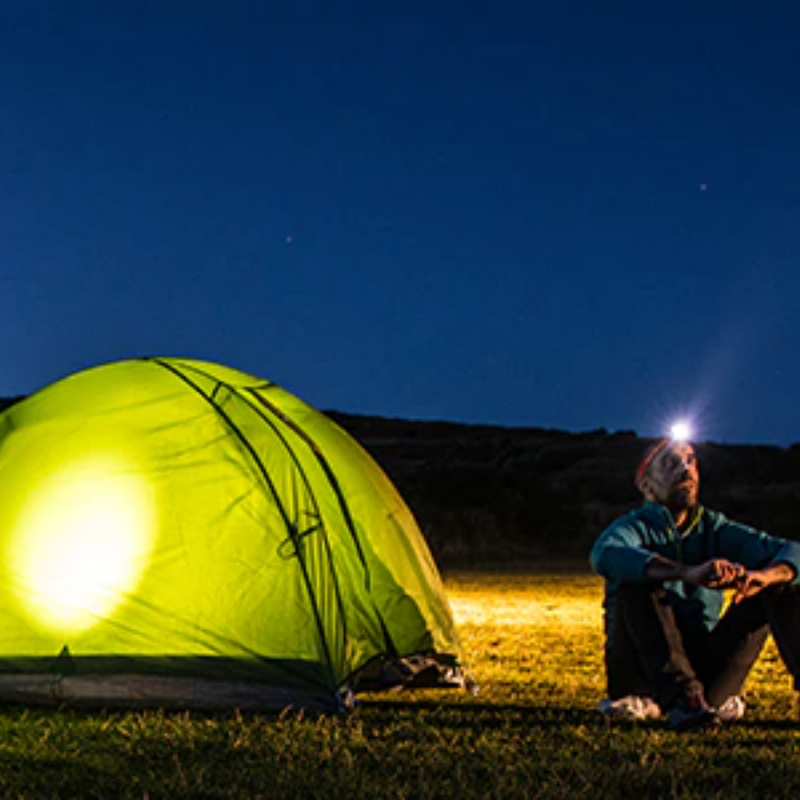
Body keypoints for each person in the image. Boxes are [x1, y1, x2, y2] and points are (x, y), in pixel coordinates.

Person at [590, 435, 800, 731]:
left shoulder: (714, 527)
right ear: (645, 485)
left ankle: (697, 699)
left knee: (783, 579)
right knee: (637, 581)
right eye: (670, 463)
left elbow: (792, 550)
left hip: (704, 670)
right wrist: (685, 572)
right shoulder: (632, 528)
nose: (685, 469)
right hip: (643, 672)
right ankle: (684, 701)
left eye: (690, 460)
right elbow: (605, 555)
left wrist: (763, 576)